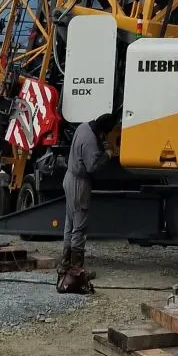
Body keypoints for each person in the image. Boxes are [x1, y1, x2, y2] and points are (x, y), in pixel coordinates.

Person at [58, 110, 117, 286]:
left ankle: (64, 266)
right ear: (103, 131)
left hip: (69, 177)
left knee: (69, 225)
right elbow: (93, 167)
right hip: (79, 183)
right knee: (79, 227)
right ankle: (77, 271)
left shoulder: (83, 127)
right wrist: (107, 153)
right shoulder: (92, 141)